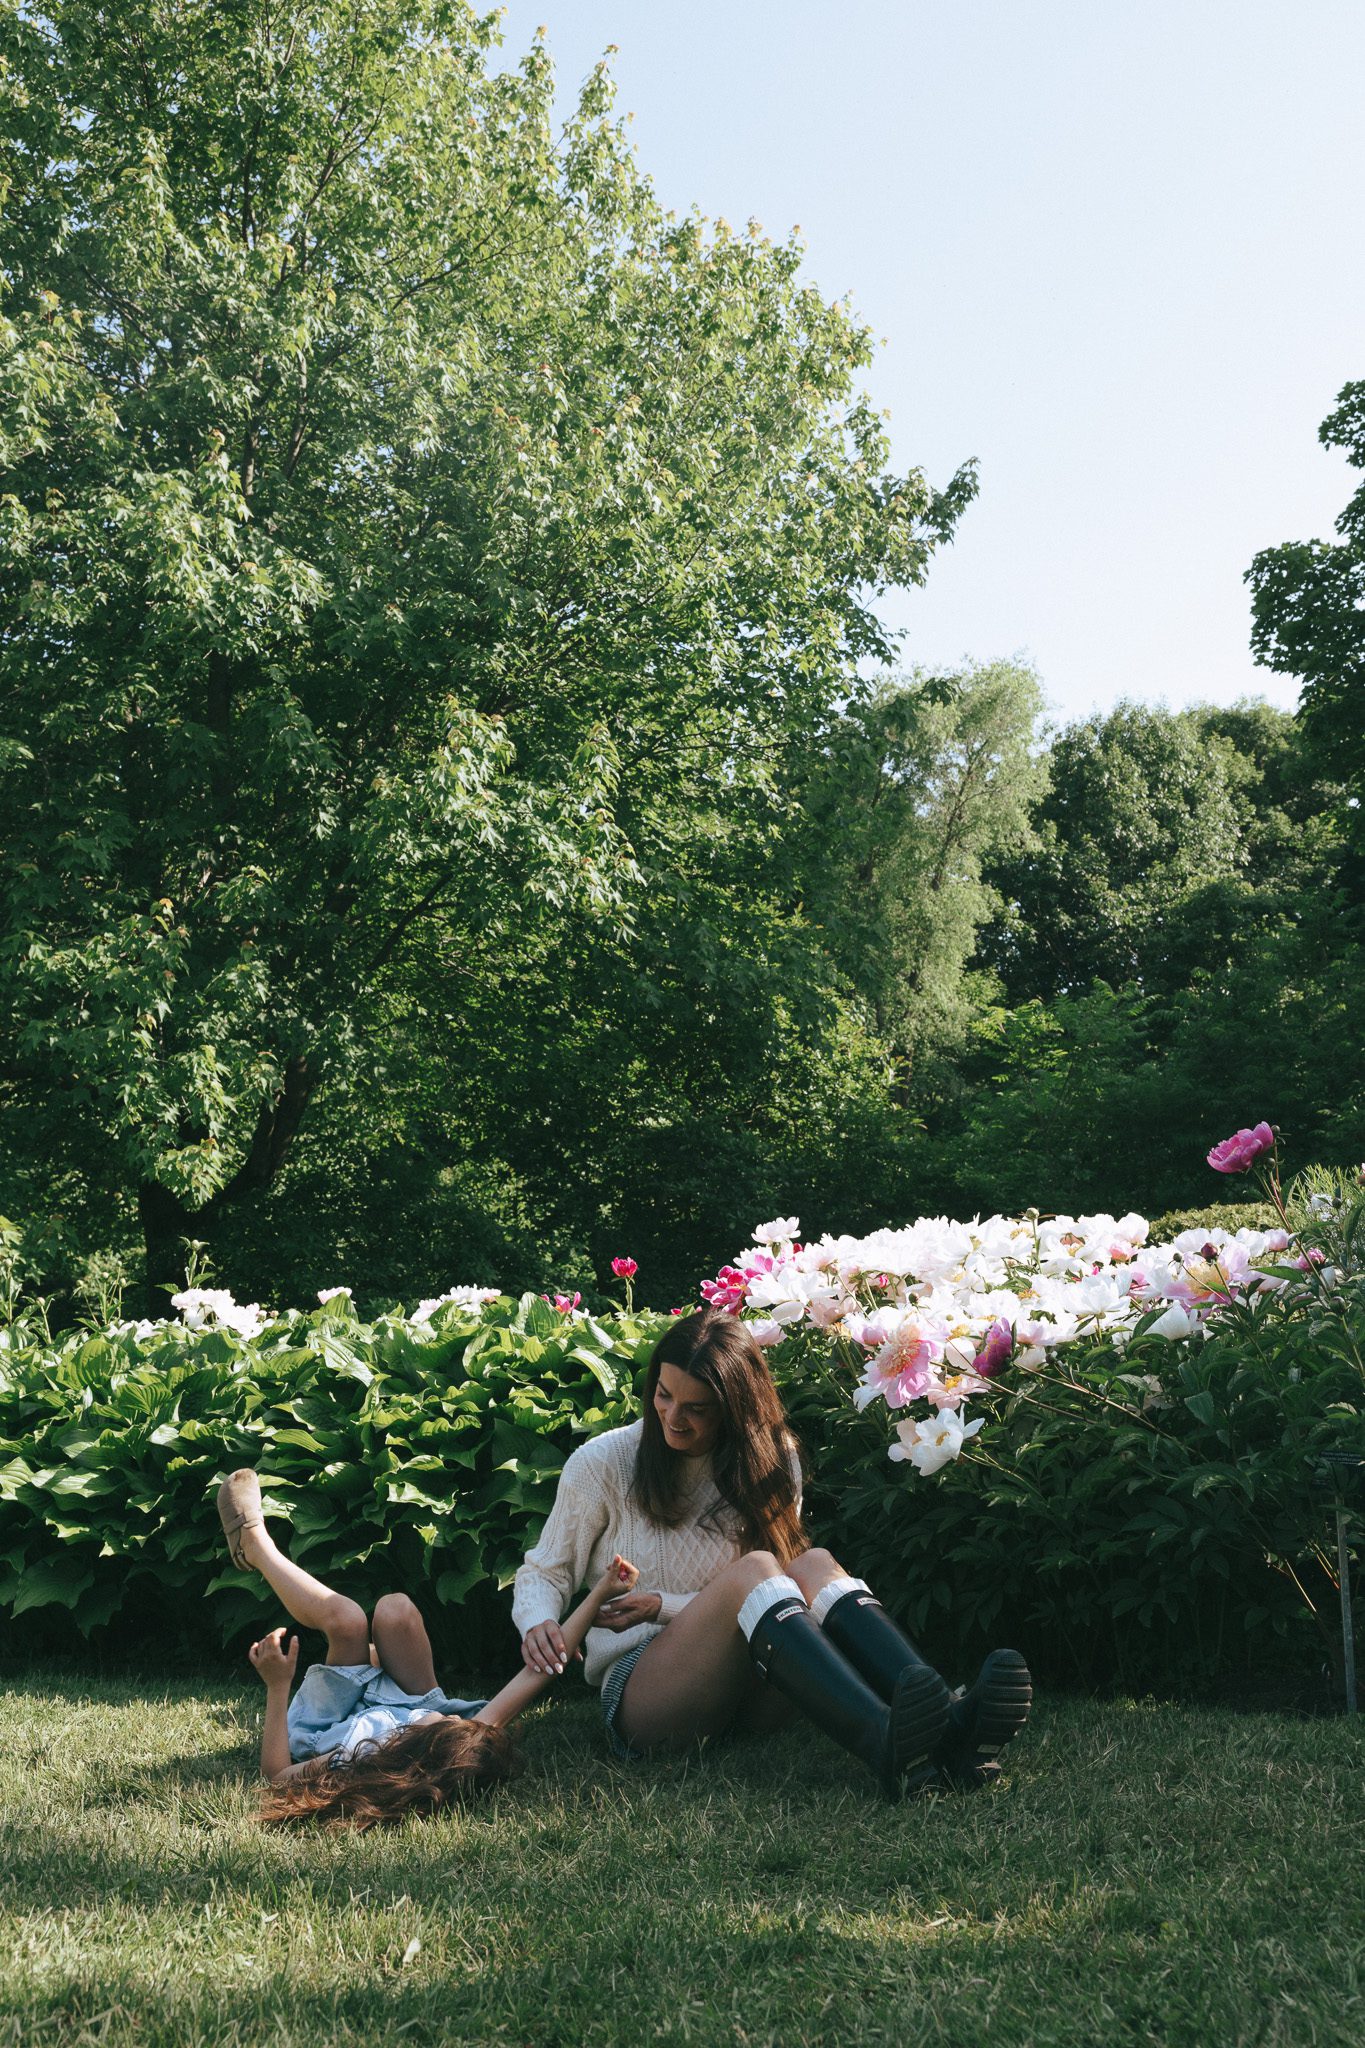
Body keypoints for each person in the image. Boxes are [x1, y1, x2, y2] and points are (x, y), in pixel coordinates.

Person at [514, 1306, 1032, 1799]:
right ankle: (884, 1740)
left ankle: (949, 1723)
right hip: (648, 1696)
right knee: (762, 1568)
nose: (673, 1418)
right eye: (664, 1396)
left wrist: (660, 1602)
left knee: (813, 1562)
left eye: (697, 1409)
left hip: (759, 1682)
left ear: (736, 1409)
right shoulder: (604, 1462)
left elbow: (773, 1596)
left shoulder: (774, 1459)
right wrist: (538, 1620)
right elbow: (545, 1571)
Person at [217, 1468, 641, 1828]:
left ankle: (255, 1545)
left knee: (347, 1621)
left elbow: (277, 1776)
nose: (447, 1716)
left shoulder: (358, 1758)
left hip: (336, 1717)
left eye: (438, 1721)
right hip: (403, 1700)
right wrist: (601, 1591)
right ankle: (375, 1669)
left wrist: (277, 1685)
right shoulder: (459, 1738)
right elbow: (542, 1669)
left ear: (410, 1745)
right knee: (395, 1610)